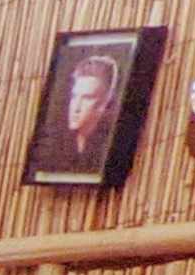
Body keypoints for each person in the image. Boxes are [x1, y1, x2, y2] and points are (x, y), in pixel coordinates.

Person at [32, 43, 128, 179]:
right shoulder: (53, 150)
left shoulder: (108, 150)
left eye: (87, 98)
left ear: (106, 103)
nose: (76, 107)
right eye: (74, 96)